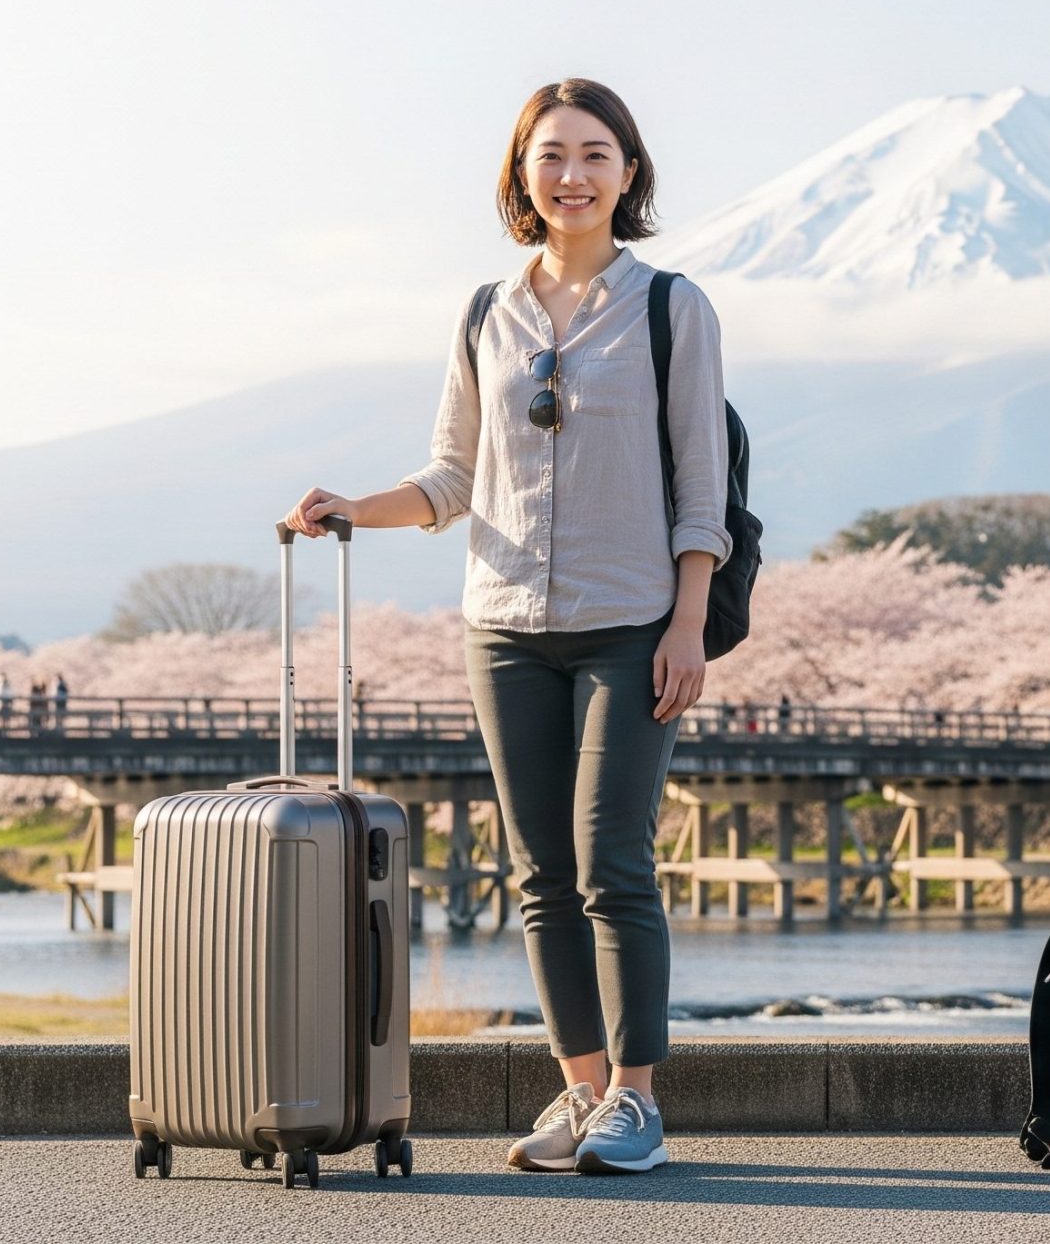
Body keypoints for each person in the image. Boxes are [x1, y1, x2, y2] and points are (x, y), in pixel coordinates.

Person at [284, 79, 729, 1177]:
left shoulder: (673, 308)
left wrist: (688, 627)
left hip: (630, 624)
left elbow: (701, 489)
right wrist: (355, 505)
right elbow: (449, 475)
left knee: (610, 861)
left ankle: (637, 1101)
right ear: (521, 174)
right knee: (537, 869)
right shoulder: (487, 310)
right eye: (551, 155)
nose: (572, 175)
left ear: (629, 173)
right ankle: (579, 1090)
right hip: (503, 628)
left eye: (594, 154)